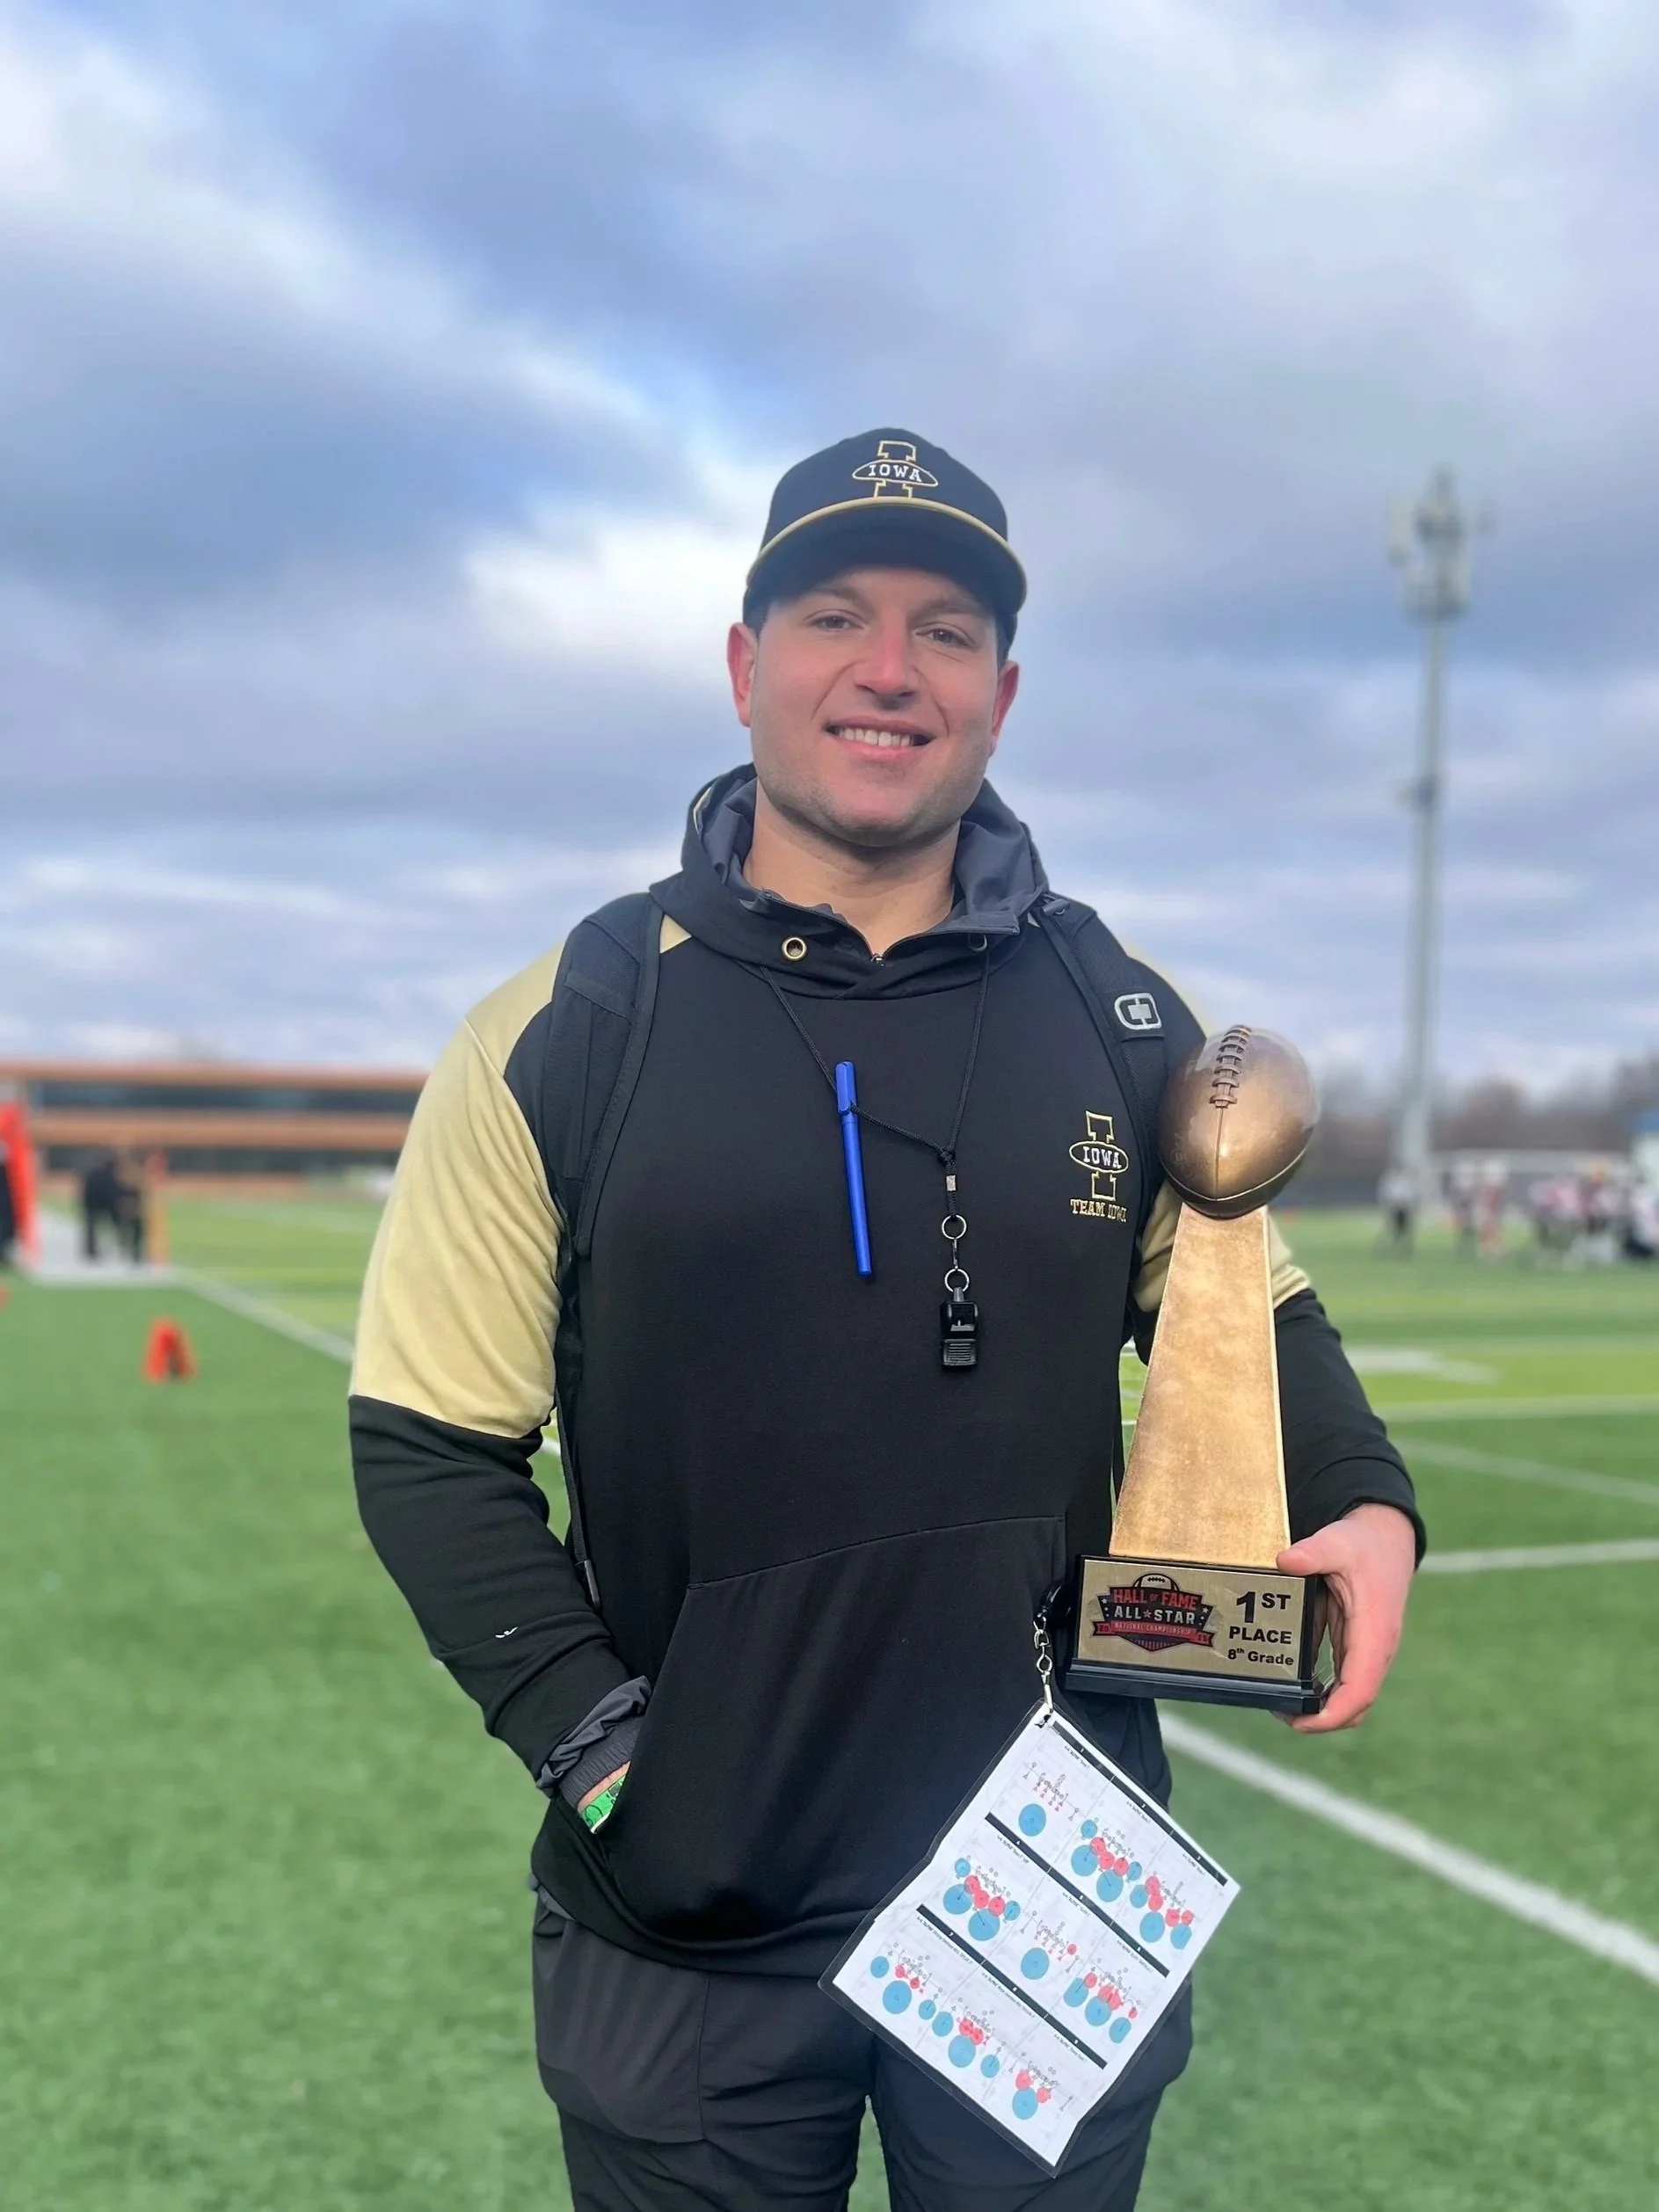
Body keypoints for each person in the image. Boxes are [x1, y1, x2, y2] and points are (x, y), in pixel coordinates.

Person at [350, 428, 1423, 2212]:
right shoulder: (566, 1022)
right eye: (834, 614)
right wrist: (611, 1761)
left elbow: (1255, 1305)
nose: (886, 669)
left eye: (942, 630)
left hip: (1044, 1880)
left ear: (1001, 689)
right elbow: (427, 1447)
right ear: (742, 663)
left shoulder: (1121, 1006)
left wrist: (1369, 1495)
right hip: (693, 1912)